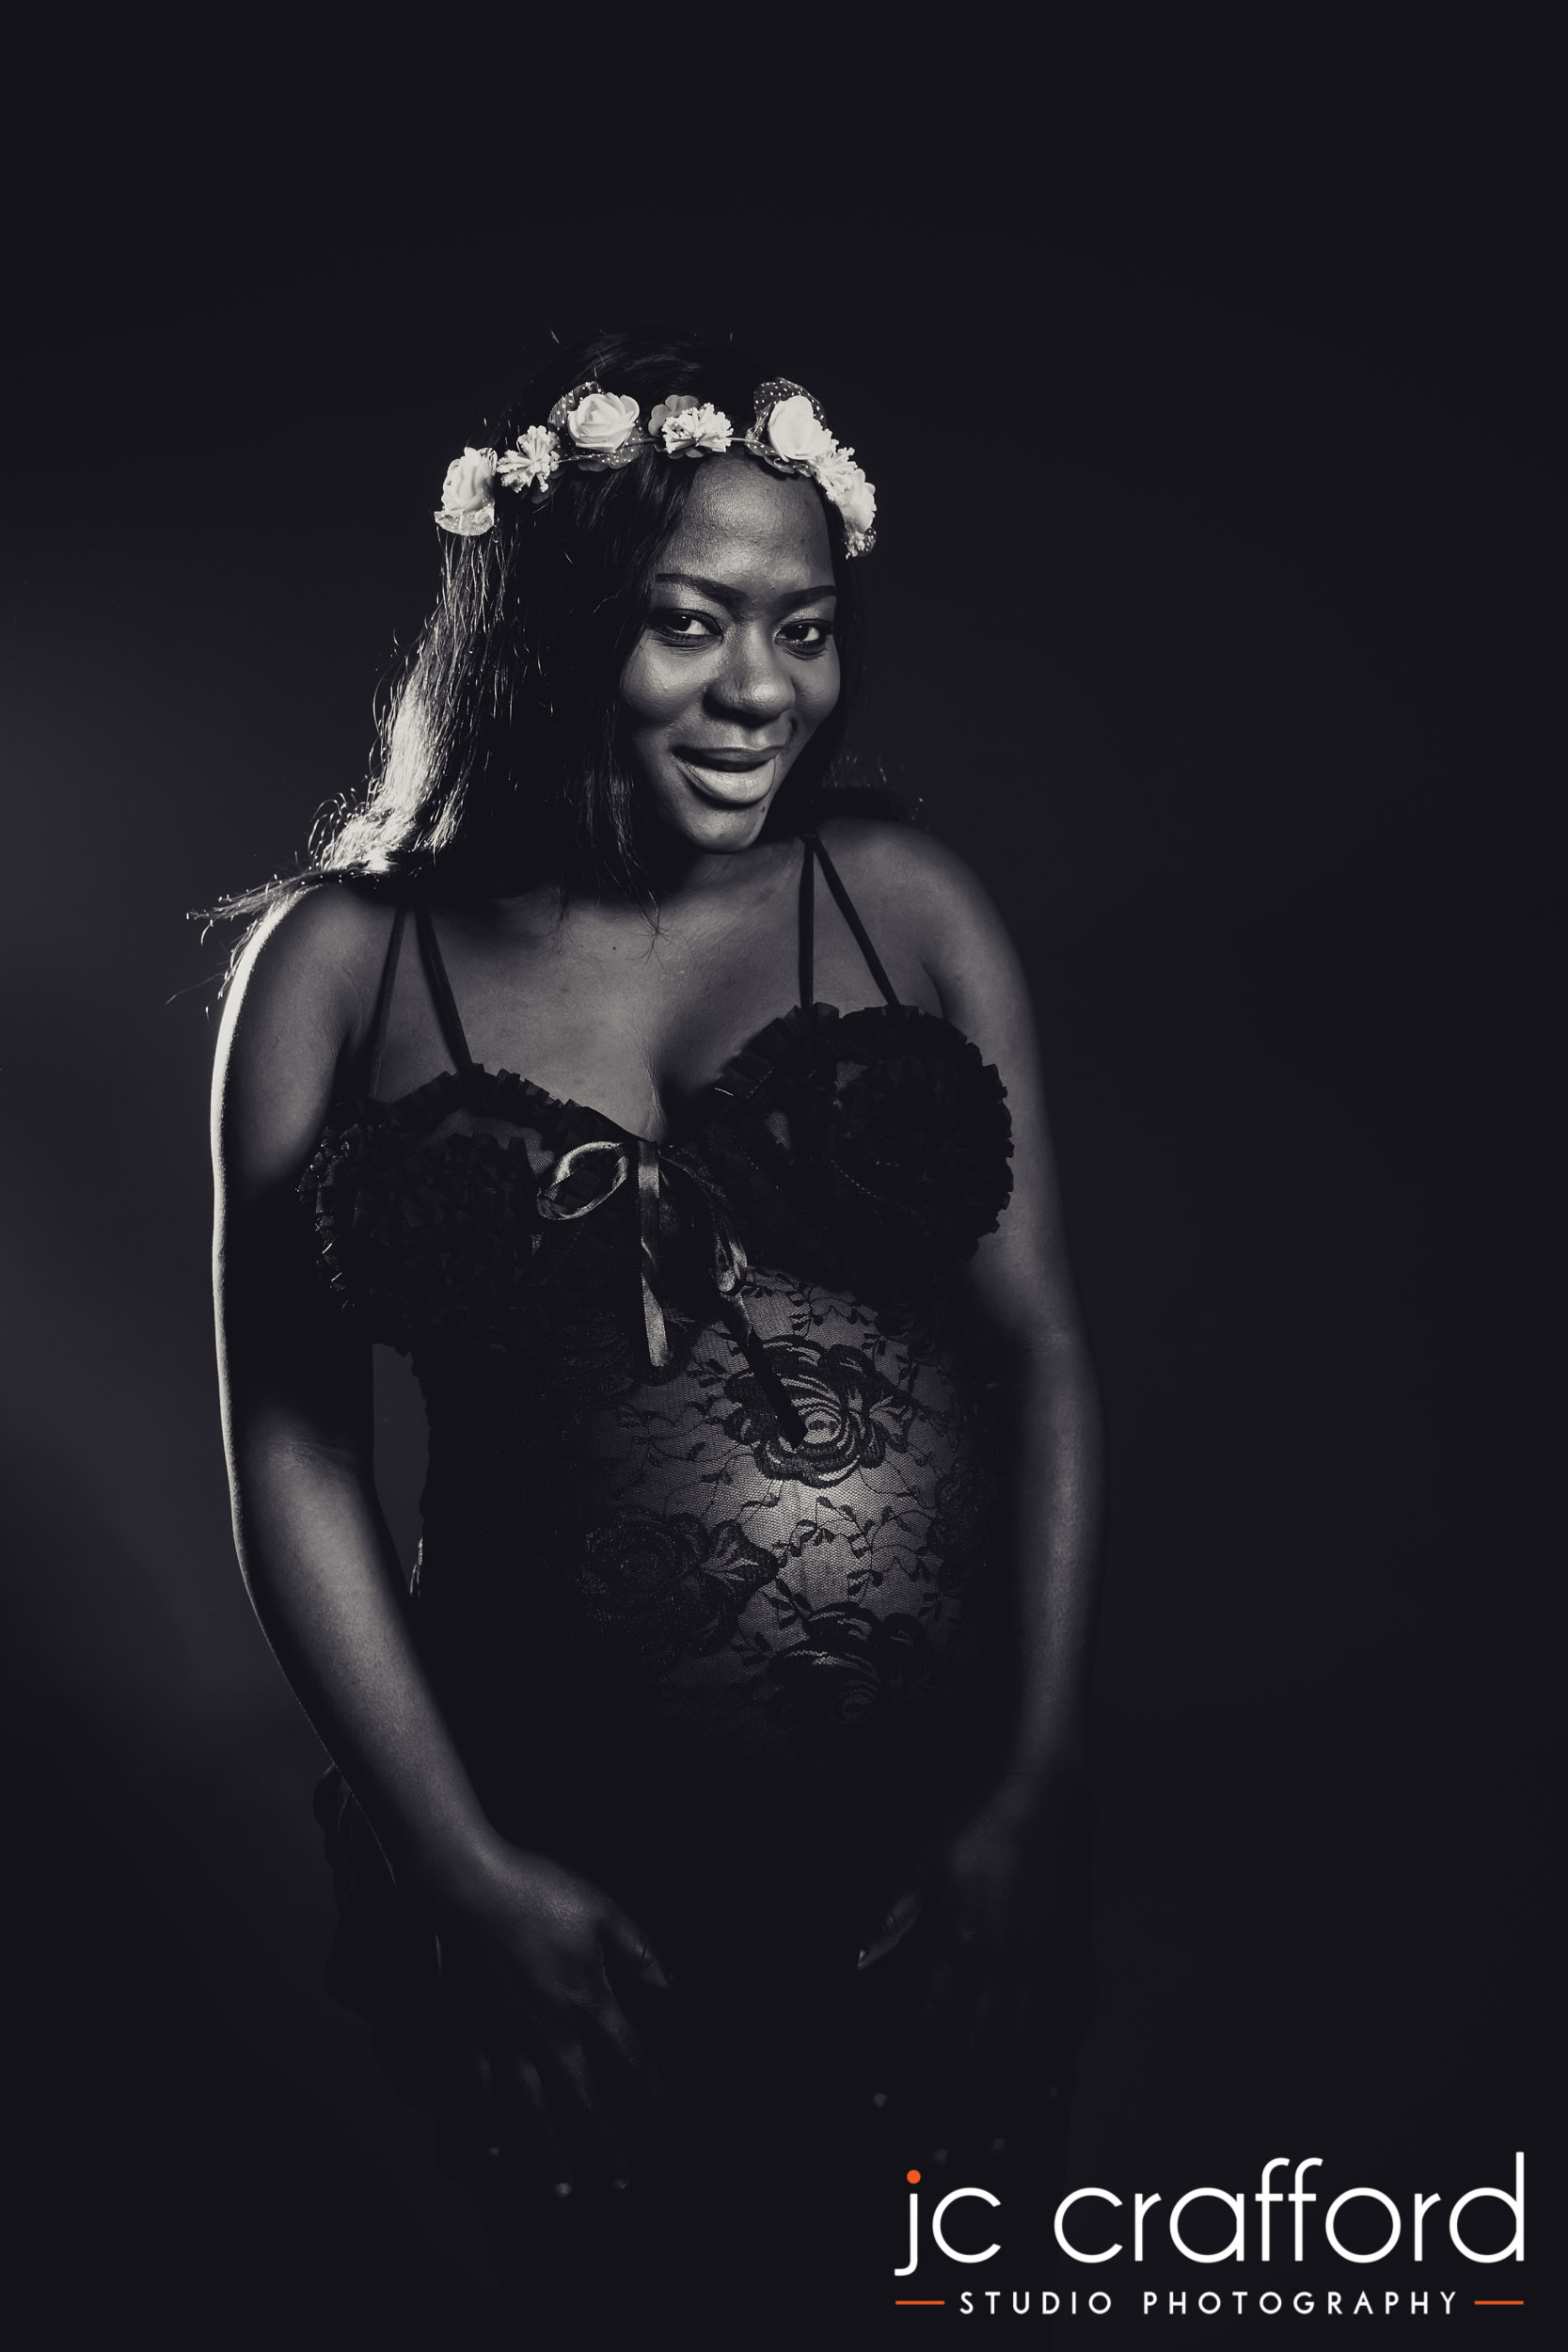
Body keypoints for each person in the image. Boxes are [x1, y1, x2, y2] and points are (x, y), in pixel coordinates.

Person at [211, 329, 1101, 2336]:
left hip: (924, 1848)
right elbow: (295, 1451)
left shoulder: (908, 903)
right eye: (692, 622)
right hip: (549, 1853)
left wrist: (1034, 1795)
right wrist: (456, 1866)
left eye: (807, 626)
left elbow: (1037, 1357)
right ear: (548, 628)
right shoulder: (343, 964)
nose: (762, 687)